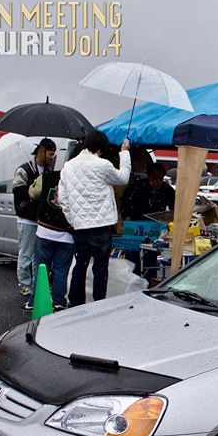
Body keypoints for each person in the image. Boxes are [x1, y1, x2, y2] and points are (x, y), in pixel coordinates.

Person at [59, 131, 130, 306]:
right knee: (100, 268)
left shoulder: (68, 166)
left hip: (80, 226)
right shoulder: (103, 165)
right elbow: (123, 178)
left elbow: (63, 197)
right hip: (102, 225)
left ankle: (75, 304)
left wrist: (72, 219)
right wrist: (124, 152)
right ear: (100, 148)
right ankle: (98, 305)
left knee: (80, 266)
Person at [23, 169, 74, 311]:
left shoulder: (47, 176)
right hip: (67, 232)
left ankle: (34, 301)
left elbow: (33, 193)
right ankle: (59, 301)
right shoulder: (77, 178)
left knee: (41, 268)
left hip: (45, 230)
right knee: (61, 269)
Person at [12, 138, 56, 297]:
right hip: (27, 219)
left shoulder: (50, 172)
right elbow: (18, 194)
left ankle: (39, 283)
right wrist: (33, 193)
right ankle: (25, 283)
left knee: (41, 254)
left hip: (43, 220)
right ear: (41, 152)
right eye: (50, 154)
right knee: (26, 252)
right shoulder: (23, 170)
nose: (52, 157)